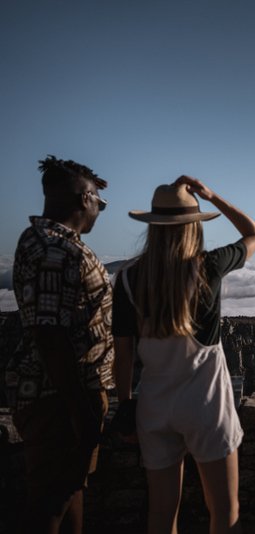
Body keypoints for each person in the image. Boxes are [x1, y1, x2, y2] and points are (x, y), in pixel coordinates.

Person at [112, 176, 255, 534]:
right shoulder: (208, 267)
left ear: (153, 225)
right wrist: (212, 196)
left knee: (162, 515)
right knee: (224, 511)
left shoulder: (128, 279)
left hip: (153, 406)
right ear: (193, 226)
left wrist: (125, 405)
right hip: (207, 406)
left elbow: (123, 353)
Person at [5, 155, 113, 533]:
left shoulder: (45, 242)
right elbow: (50, 334)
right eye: (100, 202)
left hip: (64, 392)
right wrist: (79, 407)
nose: (101, 210)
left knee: (69, 487)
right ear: (85, 198)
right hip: (60, 395)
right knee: (52, 499)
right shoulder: (56, 251)